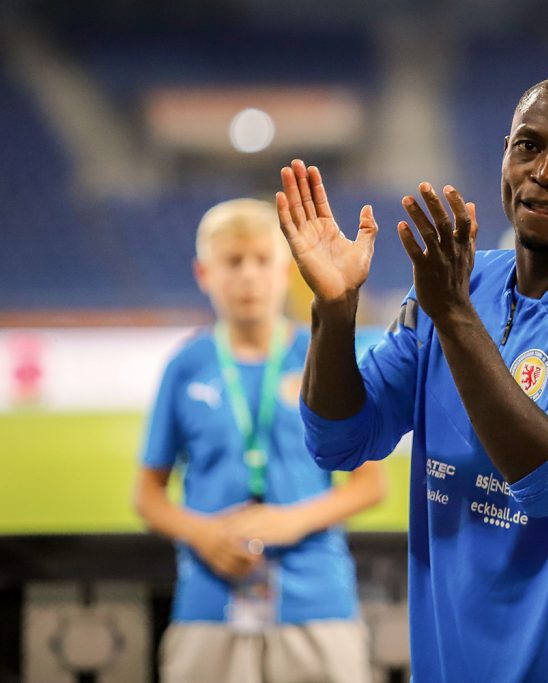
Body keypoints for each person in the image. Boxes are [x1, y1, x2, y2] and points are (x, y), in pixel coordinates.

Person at [277, 73, 548, 682]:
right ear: (505, 153)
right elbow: (338, 441)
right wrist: (336, 310)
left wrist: (452, 315)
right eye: (528, 146)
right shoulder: (462, 284)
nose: (545, 172)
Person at [133, 198, 385, 683]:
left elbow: (369, 484)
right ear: (204, 273)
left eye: (261, 260)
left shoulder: (322, 357)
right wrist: (203, 534)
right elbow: (146, 496)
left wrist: (292, 521)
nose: (248, 276)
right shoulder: (186, 366)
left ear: (285, 269)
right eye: (232, 262)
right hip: (209, 603)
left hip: (318, 602)